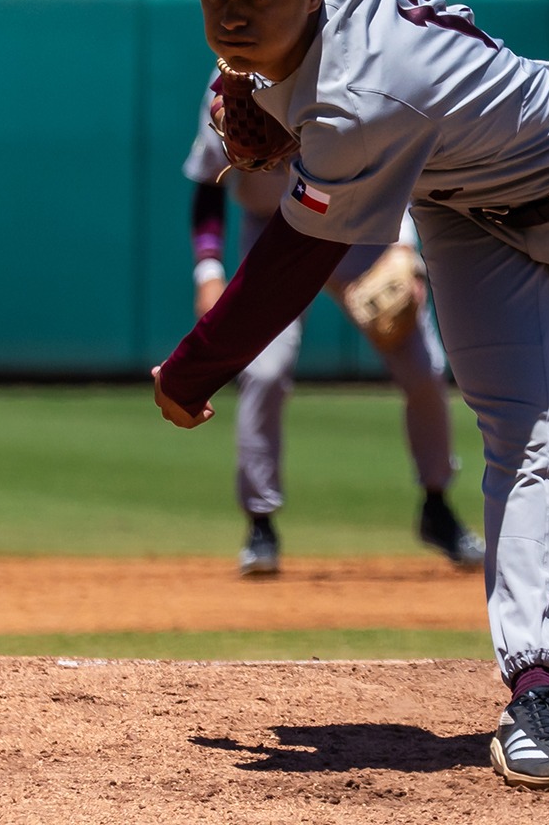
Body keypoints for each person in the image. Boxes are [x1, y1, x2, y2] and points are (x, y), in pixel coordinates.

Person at [149, 0, 549, 789]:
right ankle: (533, 688)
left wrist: (192, 369)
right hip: (461, 210)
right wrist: (243, 70)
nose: (235, 11)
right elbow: (269, 2)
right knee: (521, 431)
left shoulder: (363, 92)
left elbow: (295, 255)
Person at [181, 82, 484, 576]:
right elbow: (206, 186)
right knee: (265, 371)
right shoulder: (227, 88)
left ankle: (436, 507)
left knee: (424, 368)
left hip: (353, 224)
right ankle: (260, 526)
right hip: (268, 234)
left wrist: (404, 247)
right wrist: (208, 271)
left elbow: (392, 163)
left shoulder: (335, 74)